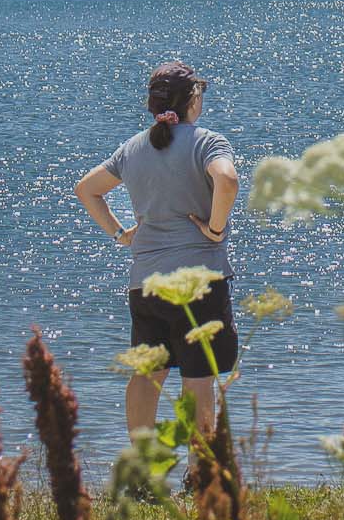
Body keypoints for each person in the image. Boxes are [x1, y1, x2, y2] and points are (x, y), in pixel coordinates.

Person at [74, 62, 240, 441]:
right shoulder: (207, 142)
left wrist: (120, 234)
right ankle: (199, 473)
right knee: (198, 379)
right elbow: (227, 180)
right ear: (193, 99)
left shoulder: (132, 148)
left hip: (145, 284)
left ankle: (141, 469)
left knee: (147, 376)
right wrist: (214, 230)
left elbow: (86, 189)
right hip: (198, 282)